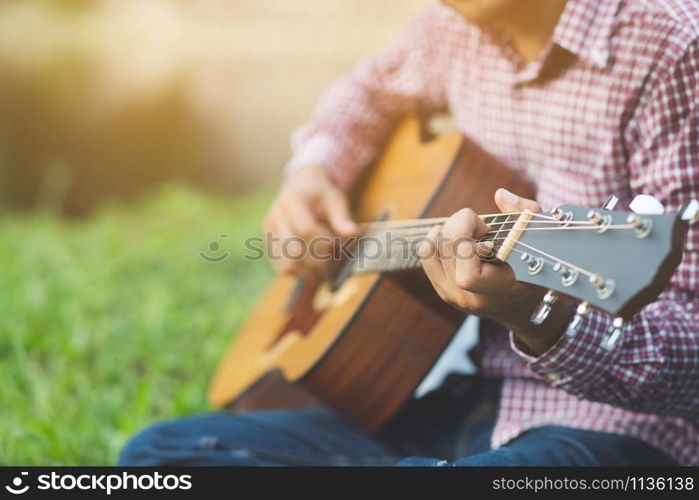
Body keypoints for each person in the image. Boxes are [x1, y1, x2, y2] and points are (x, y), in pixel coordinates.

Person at [119, 0, 699, 466]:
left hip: (622, 437)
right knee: (158, 456)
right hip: (477, 405)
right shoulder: (451, 28)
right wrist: (313, 173)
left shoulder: (674, 46)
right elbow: (364, 93)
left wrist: (540, 314)